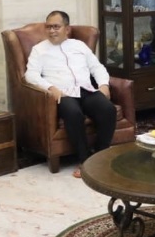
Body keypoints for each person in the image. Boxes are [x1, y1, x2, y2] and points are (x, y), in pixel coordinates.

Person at [24, 10, 116, 178]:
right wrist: (50, 87)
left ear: (66, 29)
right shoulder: (39, 50)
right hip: (63, 94)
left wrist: (104, 85)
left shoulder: (79, 45)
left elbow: (97, 67)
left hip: (86, 89)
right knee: (74, 114)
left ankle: (99, 156)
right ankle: (84, 161)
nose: (52, 30)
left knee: (108, 109)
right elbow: (30, 75)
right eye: (48, 27)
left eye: (56, 27)